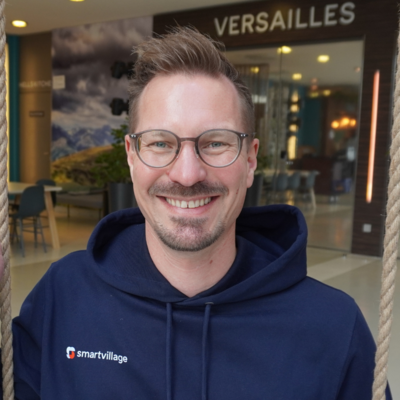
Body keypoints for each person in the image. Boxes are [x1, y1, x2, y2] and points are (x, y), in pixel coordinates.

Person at [11, 27, 391, 399]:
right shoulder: (64, 294)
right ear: (131, 156)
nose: (187, 174)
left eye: (215, 143)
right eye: (161, 143)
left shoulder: (333, 327)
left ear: (250, 160)